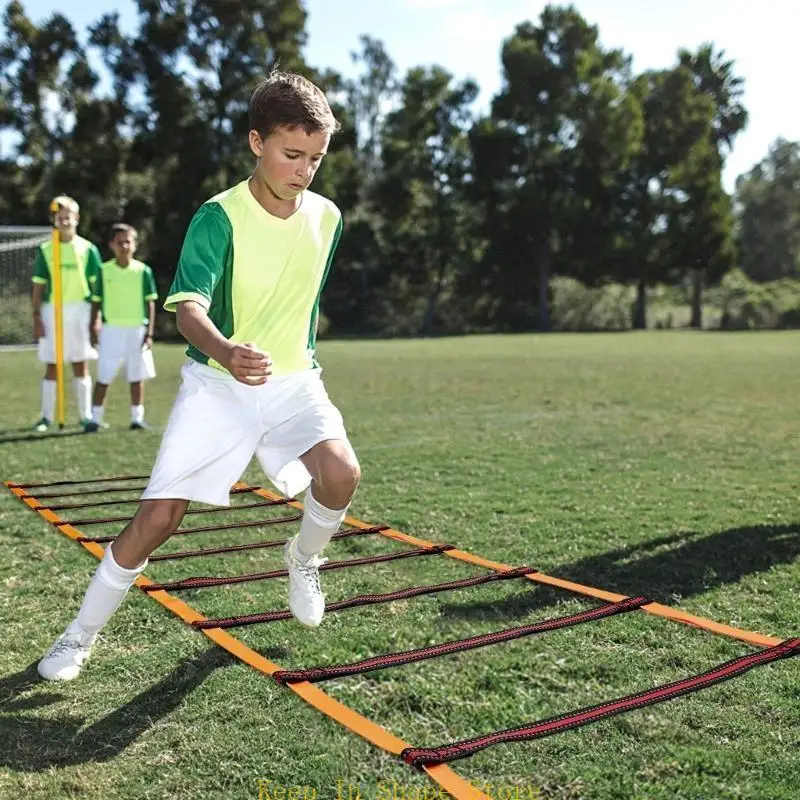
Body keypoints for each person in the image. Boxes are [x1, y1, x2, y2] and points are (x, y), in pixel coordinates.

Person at [37, 69, 360, 682]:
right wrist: (227, 350)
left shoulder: (328, 218)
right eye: (292, 154)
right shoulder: (218, 217)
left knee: (342, 473)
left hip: (293, 382)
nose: (304, 169)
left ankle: (302, 559)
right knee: (158, 519)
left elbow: (305, 300)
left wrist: (292, 355)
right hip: (218, 382)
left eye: (315, 157)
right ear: (255, 142)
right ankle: (78, 636)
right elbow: (187, 309)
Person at [31, 195, 102, 431]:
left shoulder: (88, 249)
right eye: (59, 217)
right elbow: (38, 285)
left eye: (68, 216)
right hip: (52, 310)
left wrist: (96, 318)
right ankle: (46, 417)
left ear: (77, 218)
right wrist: (37, 317)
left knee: (80, 363)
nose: (64, 221)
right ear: (54, 219)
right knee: (52, 364)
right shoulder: (45, 249)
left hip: (80, 310)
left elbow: (96, 289)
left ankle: (85, 416)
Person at [85, 223, 158, 432]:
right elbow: (96, 301)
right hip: (111, 331)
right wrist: (93, 326)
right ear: (111, 245)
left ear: (135, 244)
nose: (124, 246)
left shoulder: (143, 271)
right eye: (119, 242)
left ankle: (137, 418)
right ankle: (95, 418)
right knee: (104, 376)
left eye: (128, 242)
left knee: (137, 376)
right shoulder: (103, 270)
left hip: (137, 330)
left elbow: (150, 302)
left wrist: (149, 332)